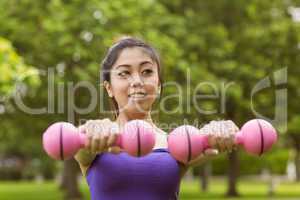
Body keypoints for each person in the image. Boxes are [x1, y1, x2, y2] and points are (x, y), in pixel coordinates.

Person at [74, 36, 239, 200]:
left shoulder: (178, 145)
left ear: (159, 86)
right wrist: (90, 132)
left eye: (146, 72)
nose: (137, 81)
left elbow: (208, 140)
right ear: (109, 88)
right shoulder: (95, 140)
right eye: (124, 73)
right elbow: (81, 150)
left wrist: (220, 129)